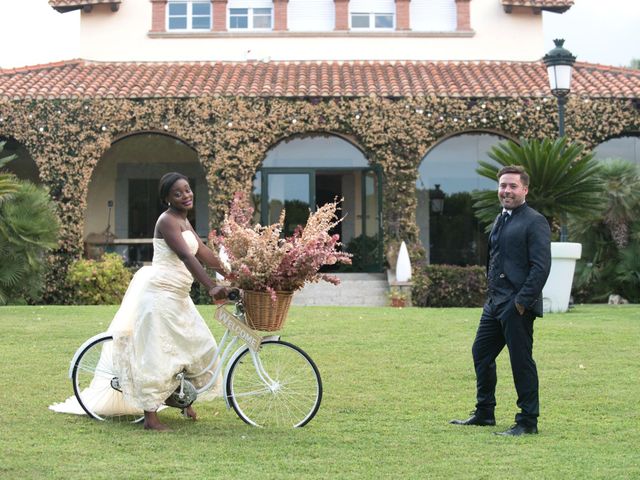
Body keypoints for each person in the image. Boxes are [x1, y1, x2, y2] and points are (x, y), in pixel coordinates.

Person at [50, 172, 230, 431]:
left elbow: (203, 253)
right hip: (160, 296)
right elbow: (186, 257)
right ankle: (150, 418)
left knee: (199, 346)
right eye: (177, 193)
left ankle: (179, 397)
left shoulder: (184, 220)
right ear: (166, 199)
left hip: (179, 295)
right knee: (157, 355)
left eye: (187, 190)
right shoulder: (167, 221)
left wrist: (234, 273)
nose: (185, 195)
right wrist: (212, 286)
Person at [450, 165, 551, 436]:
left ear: (525, 189)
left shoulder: (535, 221)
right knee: (481, 353)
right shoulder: (500, 218)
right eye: (503, 186)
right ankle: (485, 413)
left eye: (512, 186)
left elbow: (540, 267)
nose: (506, 190)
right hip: (495, 302)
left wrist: (521, 302)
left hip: (516, 305)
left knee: (521, 361)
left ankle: (528, 421)